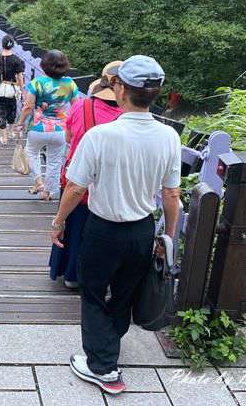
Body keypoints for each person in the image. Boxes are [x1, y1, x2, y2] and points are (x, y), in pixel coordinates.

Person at [53, 55, 180, 396]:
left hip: (103, 228)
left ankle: (104, 368)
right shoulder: (169, 136)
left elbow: (76, 187)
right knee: (124, 292)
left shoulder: (101, 136)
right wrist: (167, 236)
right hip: (141, 228)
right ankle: (109, 345)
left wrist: (59, 221)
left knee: (93, 293)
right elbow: (171, 194)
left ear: (121, 89)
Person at [49, 61, 123, 290]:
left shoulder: (81, 106)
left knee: (74, 224)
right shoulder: (126, 117)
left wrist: (56, 221)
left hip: (76, 179)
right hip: (109, 186)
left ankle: (68, 273)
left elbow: (69, 137)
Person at [17, 50, 78, 199]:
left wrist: (20, 123)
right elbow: (76, 107)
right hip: (60, 130)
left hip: (38, 128)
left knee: (30, 153)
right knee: (55, 162)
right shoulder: (70, 84)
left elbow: (28, 106)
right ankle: (48, 192)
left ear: (44, 66)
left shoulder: (37, 83)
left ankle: (39, 181)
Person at [0, 35, 25, 145]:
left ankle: (4, 137)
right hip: (12, 87)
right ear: (12, 45)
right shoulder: (17, 60)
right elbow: (20, 77)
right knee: (12, 108)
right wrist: (22, 91)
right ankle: (11, 132)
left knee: (0, 109)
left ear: (2, 44)